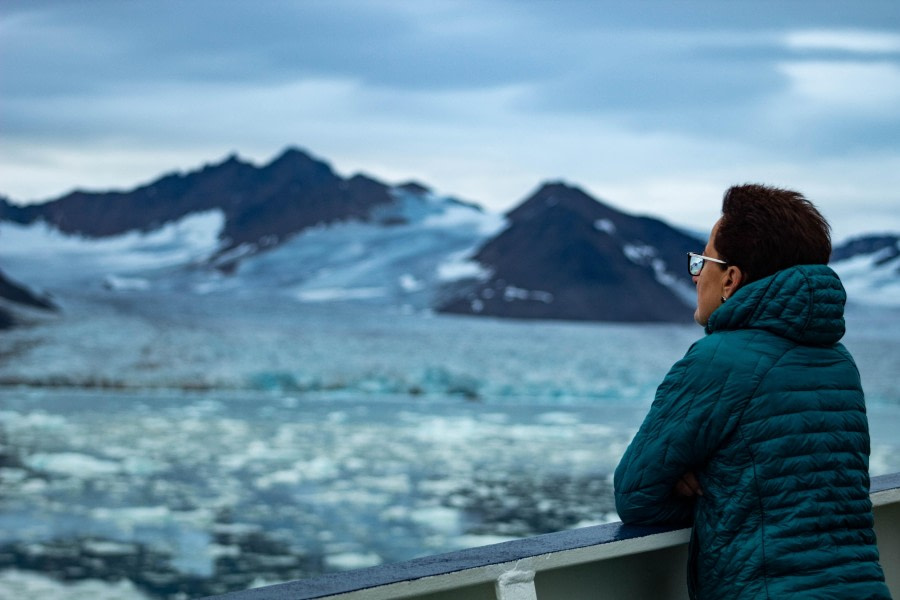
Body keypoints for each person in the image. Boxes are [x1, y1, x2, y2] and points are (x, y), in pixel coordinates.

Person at [613, 184, 892, 599]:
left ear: (730, 278)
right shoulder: (839, 362)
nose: (695, 276)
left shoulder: (718, 359)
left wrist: (708, 489)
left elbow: (635, 493)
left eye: (701, 261)